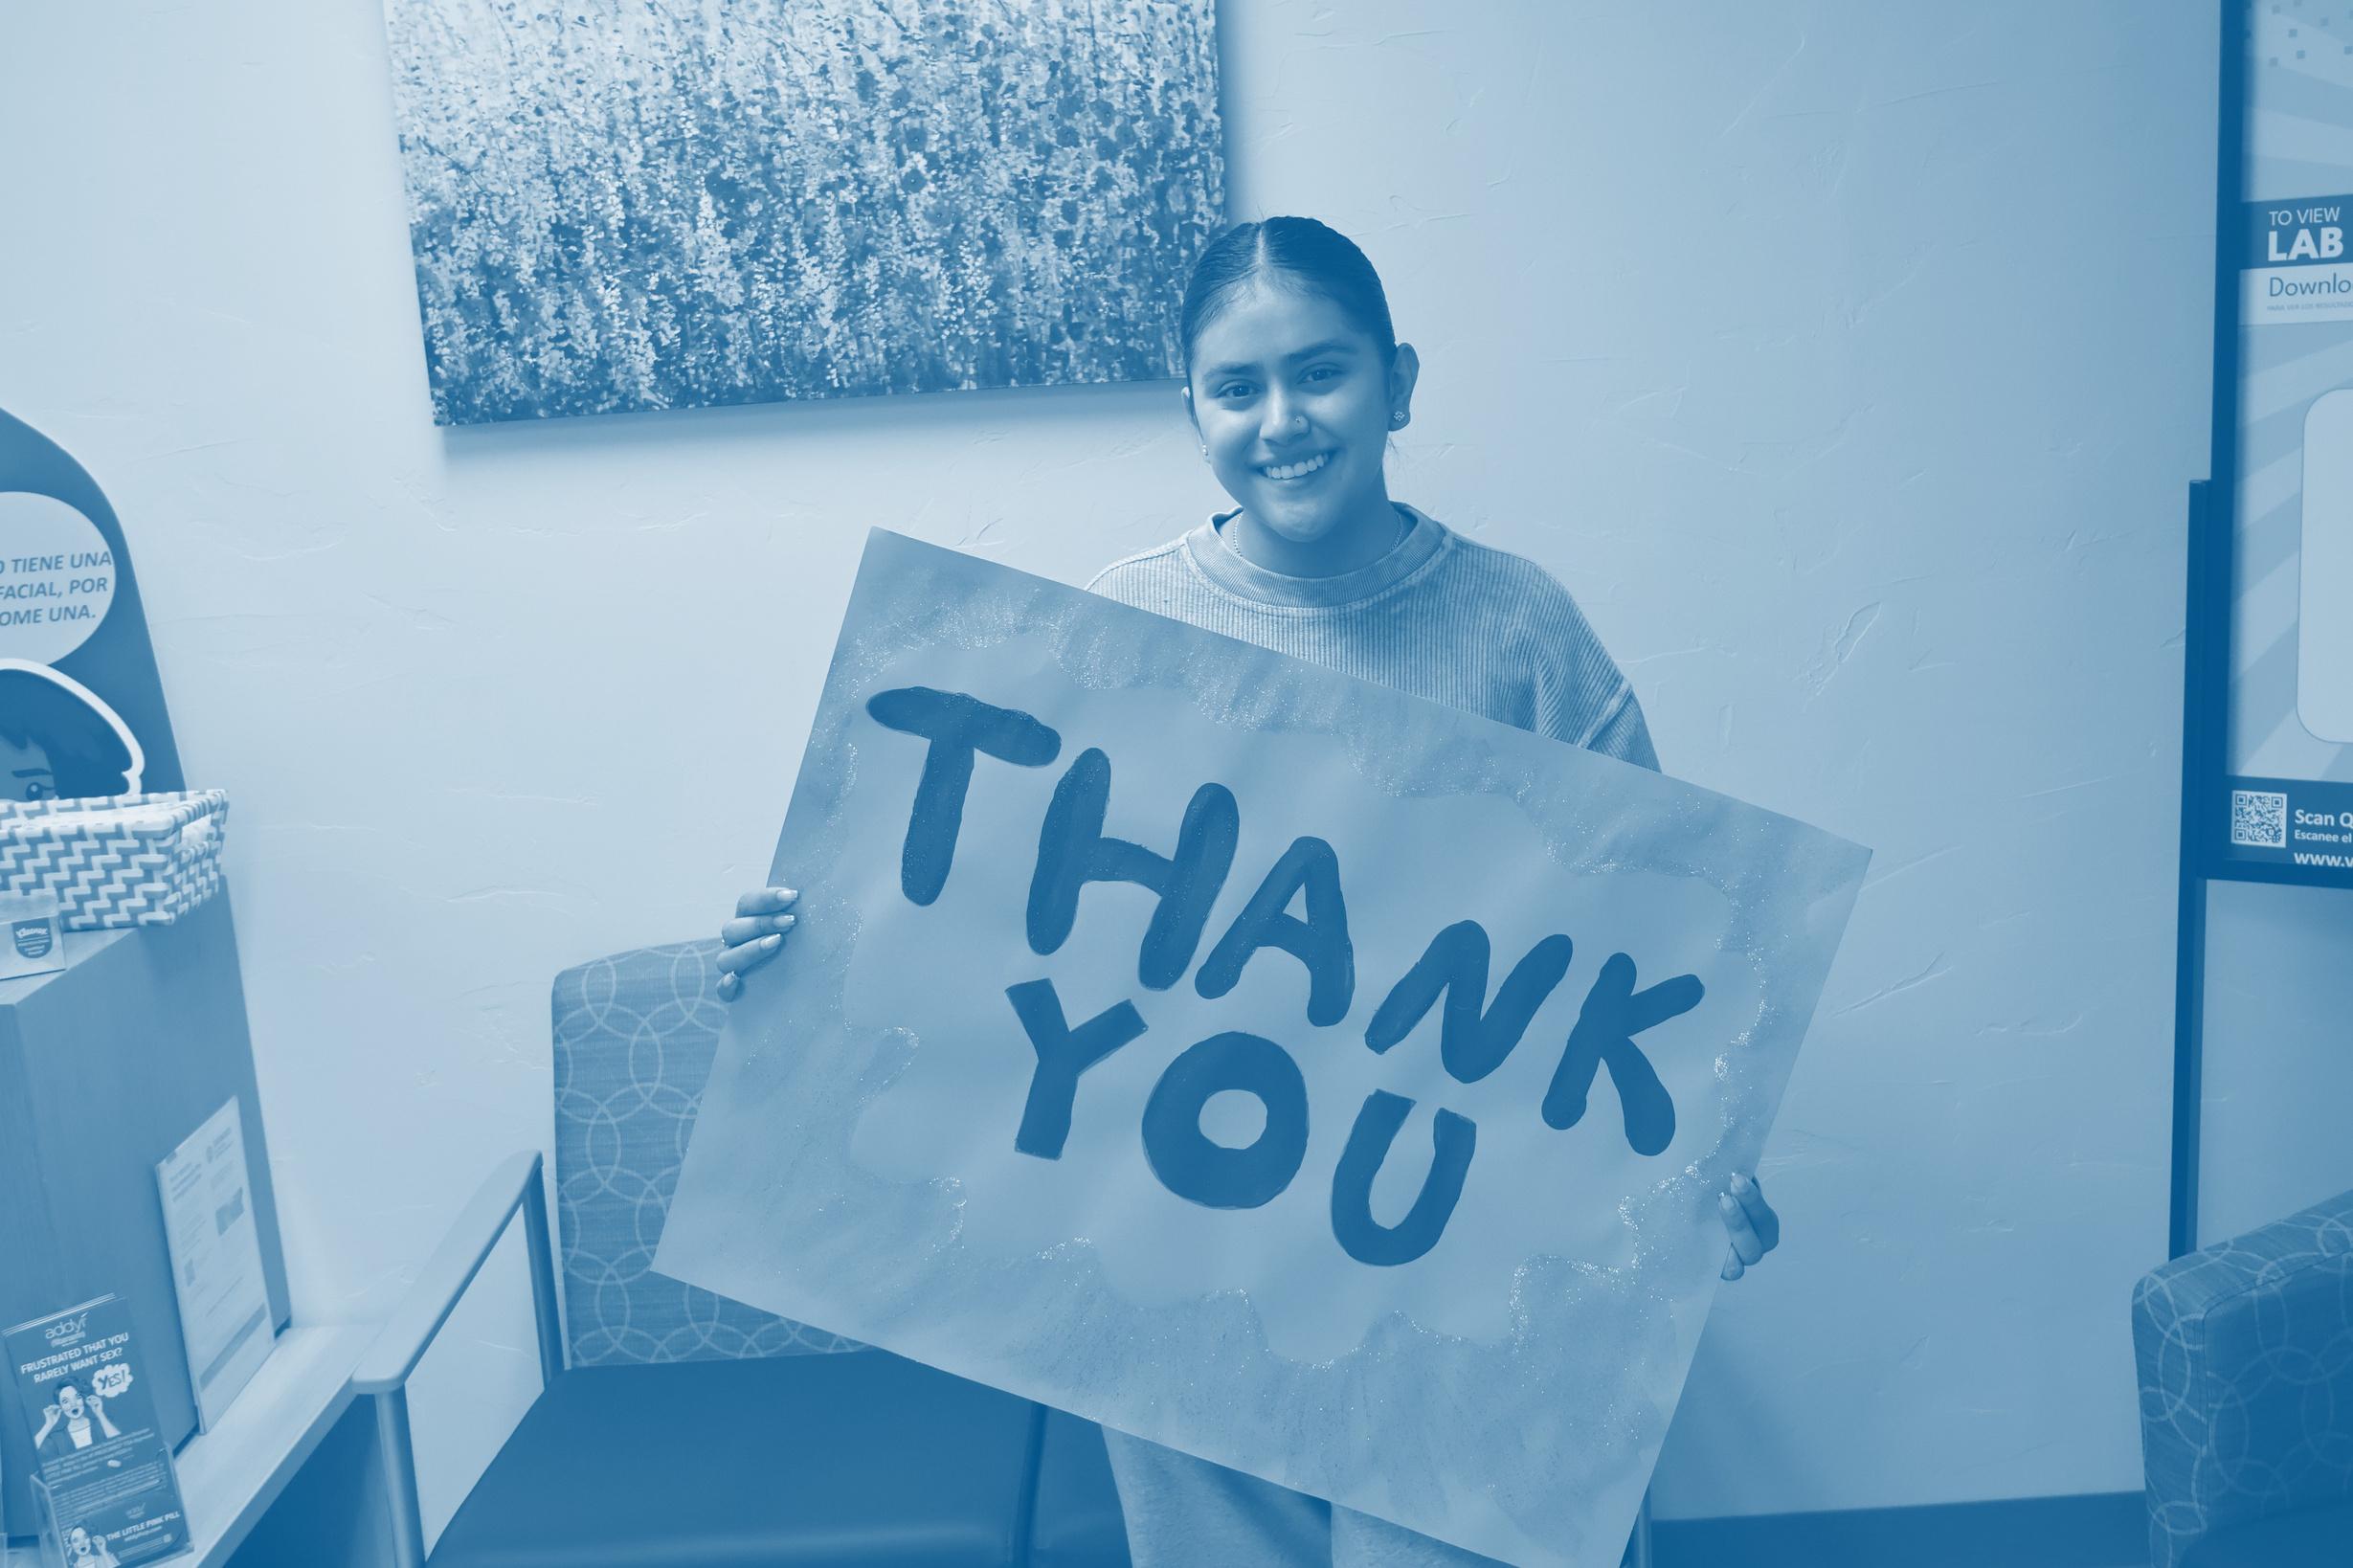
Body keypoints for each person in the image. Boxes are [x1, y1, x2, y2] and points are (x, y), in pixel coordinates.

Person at [716, 216, 1782, 1567]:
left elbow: (1651, 946)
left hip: (1451, 1245)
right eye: (1237, 387)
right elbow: (993, 923)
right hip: (1186, 1250)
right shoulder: (1119, 623)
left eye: (1320, 372)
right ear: (1192, 412)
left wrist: (1702, 1154)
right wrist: (810, 959)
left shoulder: (1522, 630)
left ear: (1397, 383)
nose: (1282, 420)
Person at [32, 1382, 120, 1465]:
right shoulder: (56, 1438)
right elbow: (31, 1452)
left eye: (77, 1397)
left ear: (84, 1399)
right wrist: (49, 1424)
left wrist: (100, 1414)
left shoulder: (103, 1423)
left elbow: (120, 1444)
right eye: (65, 1401)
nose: (73, 1404)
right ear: (60, 1406)